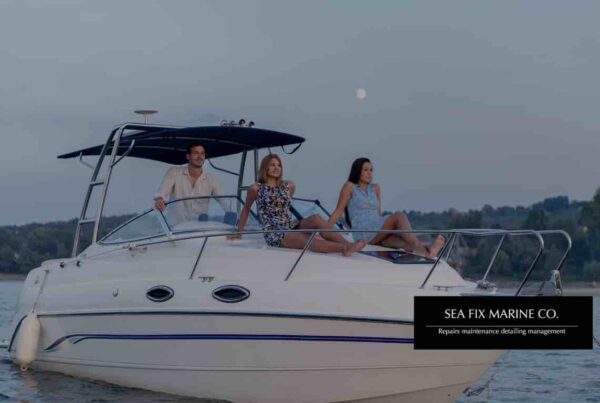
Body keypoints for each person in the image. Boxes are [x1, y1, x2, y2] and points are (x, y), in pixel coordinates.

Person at [230, 154, 365, 256]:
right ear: (265, 167)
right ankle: (344, 248)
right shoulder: (256, 188)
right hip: (274, 232)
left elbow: (285, 208)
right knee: (305, 239)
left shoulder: (288, 186)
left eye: (279, 165)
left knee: (316, 218)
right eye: (272, 165)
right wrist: (239, 233)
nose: (276, 168)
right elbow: (246, 210)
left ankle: (348, 243)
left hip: (290, 225)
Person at [327, 157, 444, 258]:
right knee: (399, 216)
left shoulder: (375, 188)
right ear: (357, 171)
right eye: (365, 170)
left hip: (377, 230)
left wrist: (387, 230)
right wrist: (324, 231)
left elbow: (378, 214)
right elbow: (338, 211)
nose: (369, 173)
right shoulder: (349, 187)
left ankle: (428, 251)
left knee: (401, 242)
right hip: (363, 232)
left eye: (371, 170)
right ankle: (426, 251)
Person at [154, 143, 224, 223]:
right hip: (175, 228)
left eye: (202, 153)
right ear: (188, 156)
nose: (200, 156)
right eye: (196, 153)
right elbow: (161, 193)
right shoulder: (174, 172)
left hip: (201, 228)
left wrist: (233, 215)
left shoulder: (212, 180)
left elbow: (224, 201)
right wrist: (160, 199)